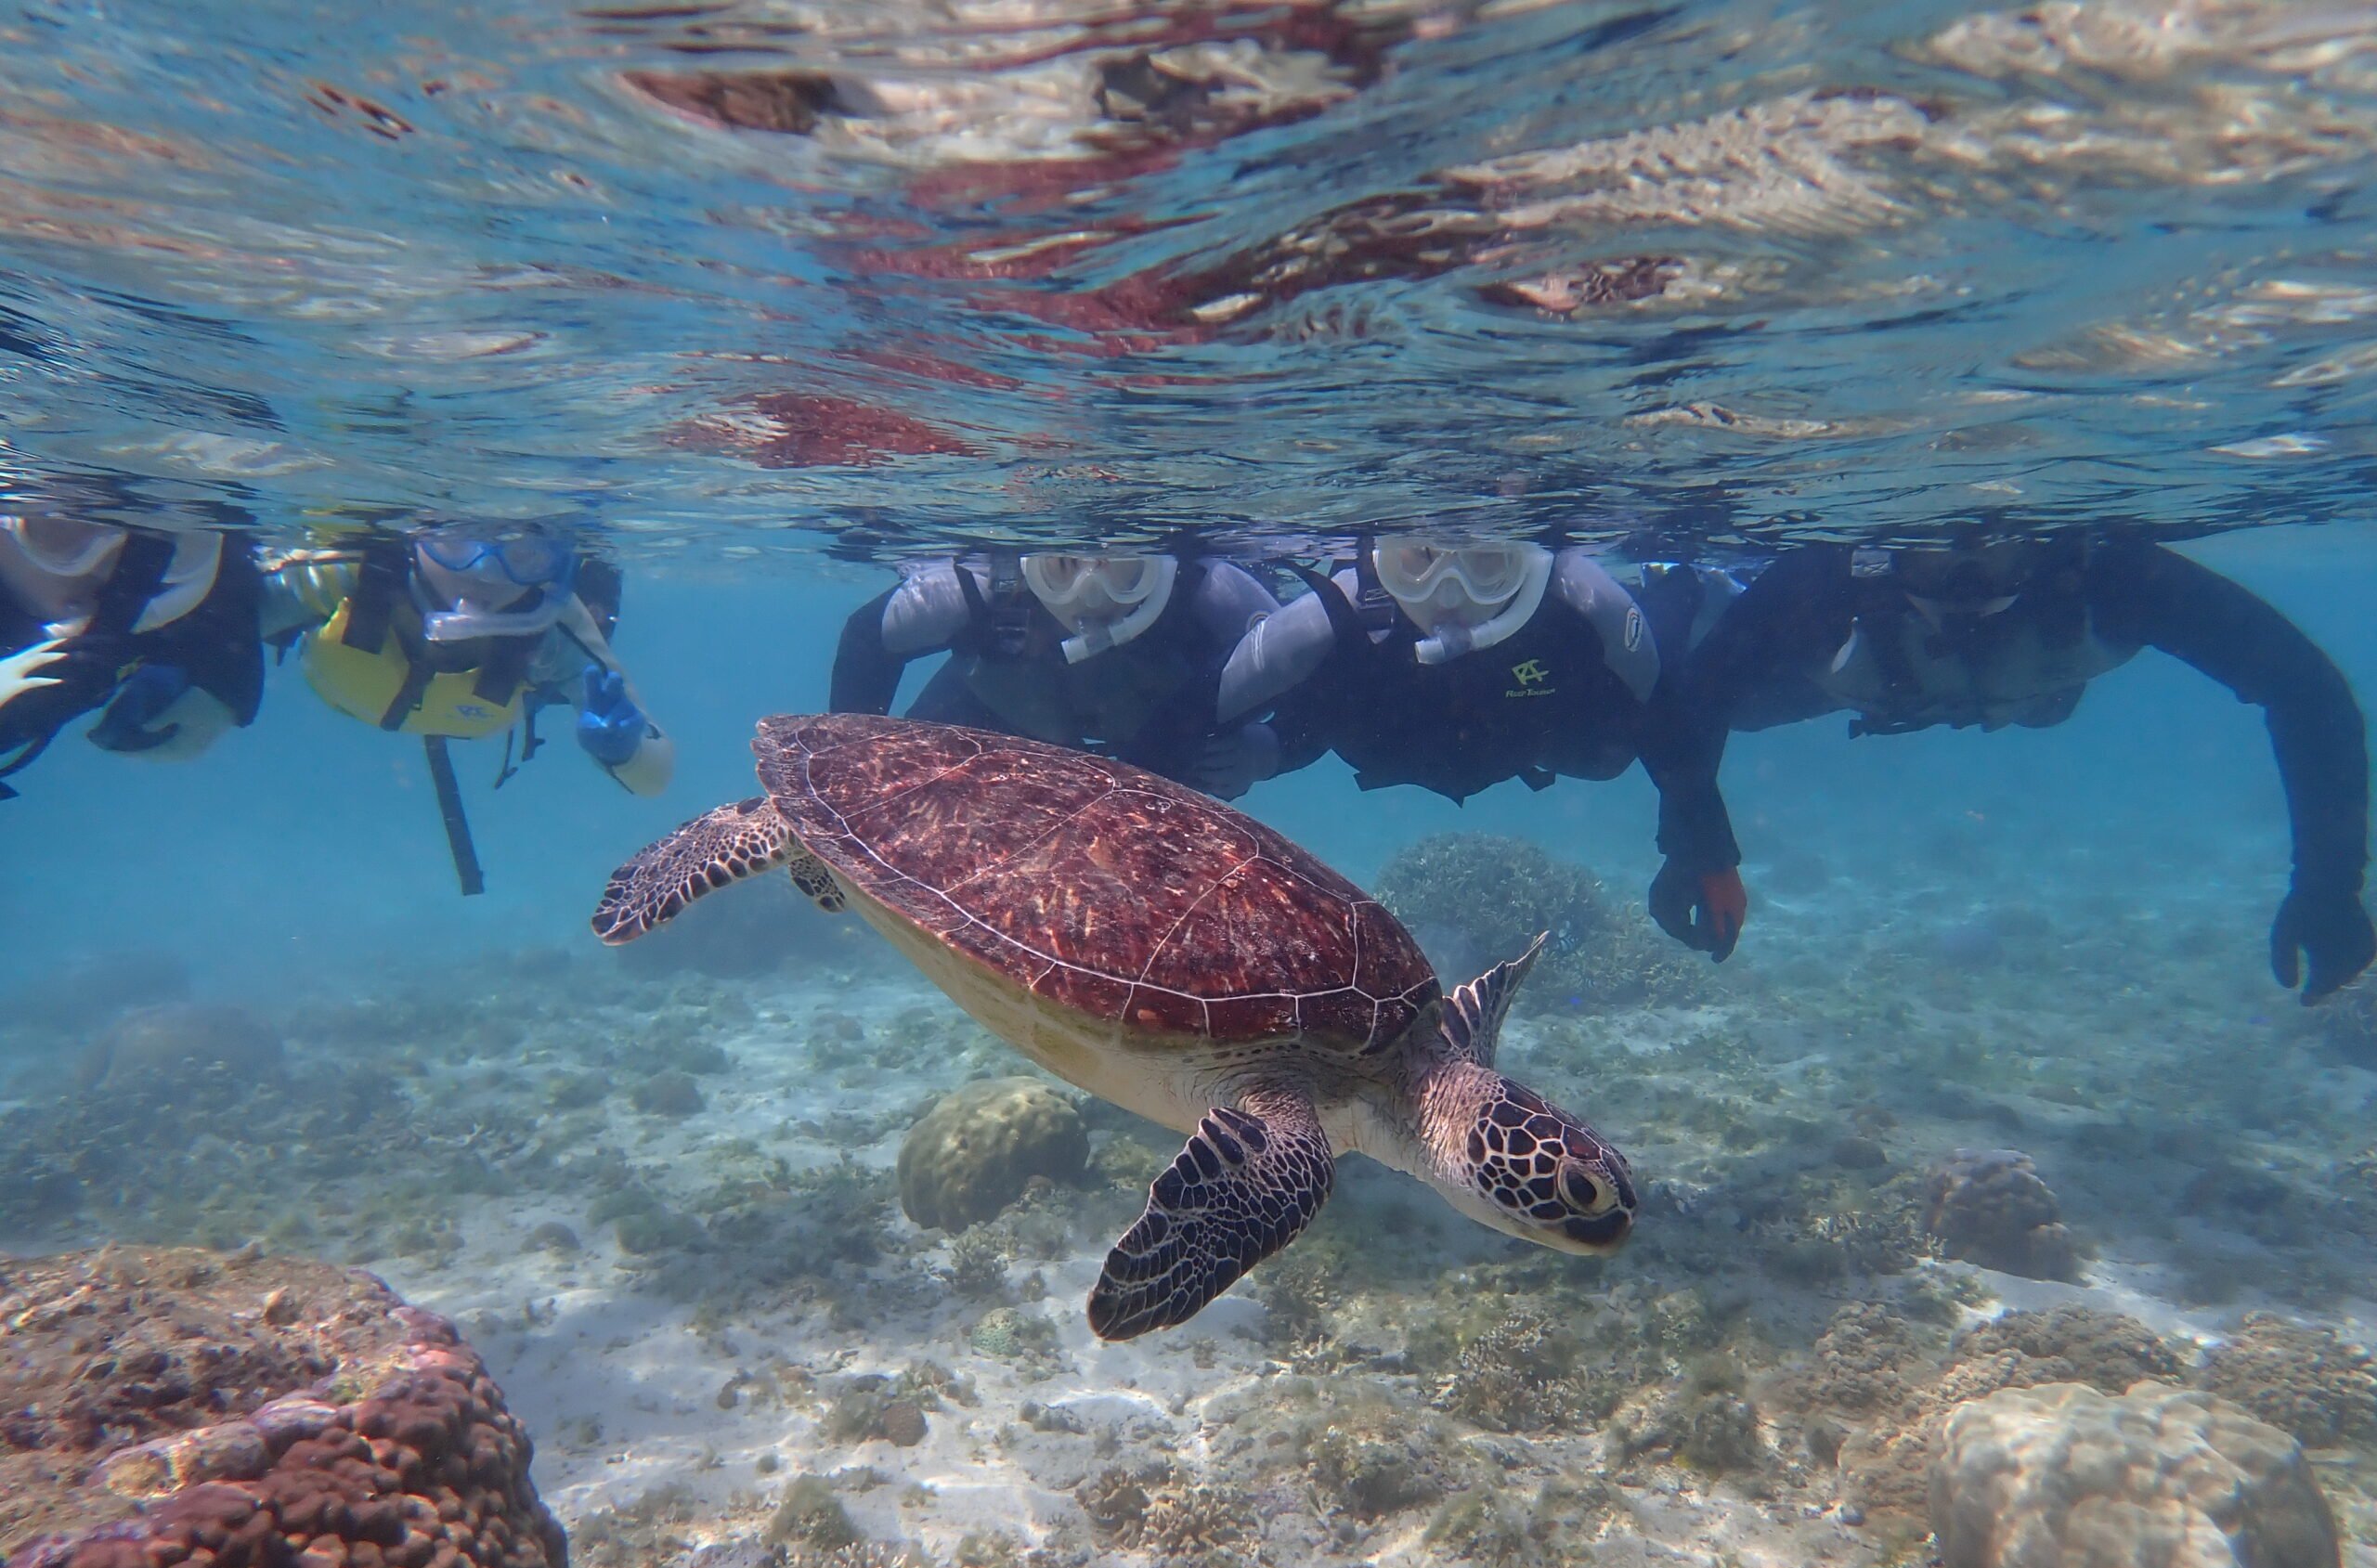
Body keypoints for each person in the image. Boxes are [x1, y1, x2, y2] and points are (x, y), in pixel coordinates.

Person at [1642, 525, 2375, 1003]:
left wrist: (2328, 887)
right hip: (1866, 681)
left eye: (1998, 547)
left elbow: (2304, 689)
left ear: (2050, 542)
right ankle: (1699, 585)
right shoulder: (1822, 584)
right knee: (1704, 688)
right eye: (1935, 548)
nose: (1967, 567)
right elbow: (1698, 699)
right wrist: (1700, 851)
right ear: (1882, 547)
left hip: (2014, 685)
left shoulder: (2110, 572)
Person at [1251, 533, 1678, 802]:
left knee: (1609, 760)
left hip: (1525, 745)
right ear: (1383, 561)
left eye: (1487, 560)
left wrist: (1701, 845)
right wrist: (1277, 744)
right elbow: (1299, 704)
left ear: (1529, 564)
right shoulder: (1347, 615)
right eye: (1420, 560)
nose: (1450, 596)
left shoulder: (1574, 612)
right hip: (1410, 746)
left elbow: (1655, 714)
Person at [828, 547, 1287, 797]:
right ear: (1032, 563)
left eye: (1122, 569)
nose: (1090, 595)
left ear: (1163, 567)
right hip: (989, 717)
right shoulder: (979, 587)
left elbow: (1321, 671)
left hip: (1166, 757)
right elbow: (867, 639)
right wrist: (850, 770)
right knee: (898, 784)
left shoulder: (1216, 595)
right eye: (1063, 569)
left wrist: (1270, 749)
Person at [270, 518, 674, 796]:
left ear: (555, 565)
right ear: (417, 535)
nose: (485, 571)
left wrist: (626, 752)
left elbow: (655, 778)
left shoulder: (555, 627)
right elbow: (230, 612)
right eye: (458, 542)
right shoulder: (350, 572)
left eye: (523, 554)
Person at [0, 514, 267, 797]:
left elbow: (233, 569)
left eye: (177, 546)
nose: (110, 575)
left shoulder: (143, 594)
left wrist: (225, 679)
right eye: (66, 527)